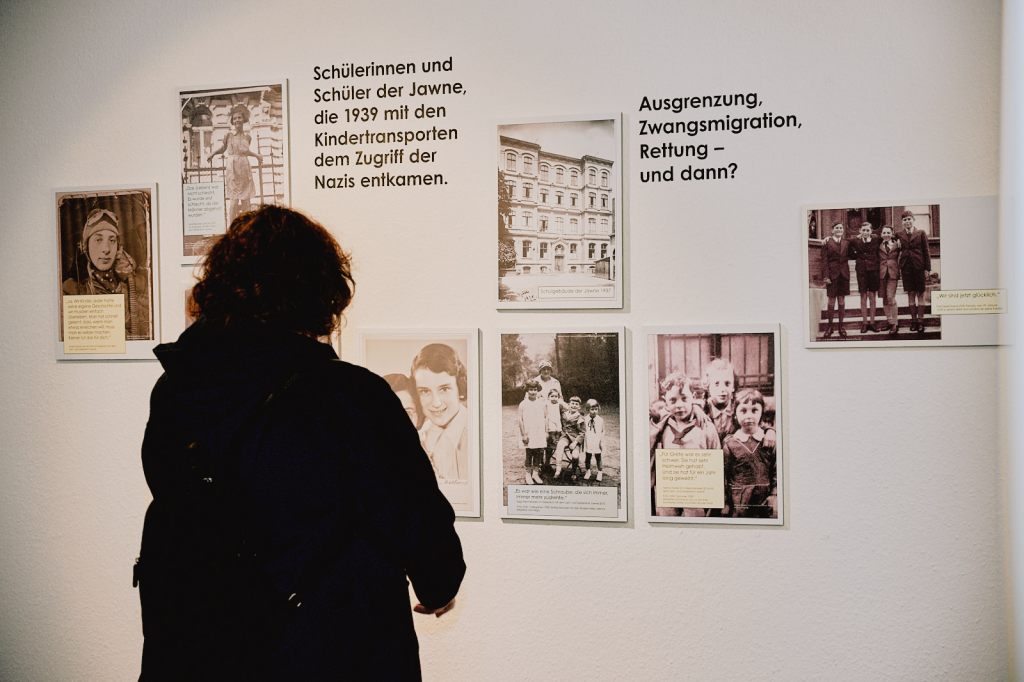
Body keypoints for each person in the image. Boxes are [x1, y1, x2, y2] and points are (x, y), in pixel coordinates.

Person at [136, 206, 464, 680]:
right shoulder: (349, 396)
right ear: (319, 291)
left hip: (198, 645)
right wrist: (437, 583)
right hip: (325, 648)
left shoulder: (177, 388)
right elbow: (413, 518)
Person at [62, 207, 151, 340]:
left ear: (118, 247)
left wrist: (131, 281)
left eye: (112, 240)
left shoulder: (137, 285)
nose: (106, 249)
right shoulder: (71, 290)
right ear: (85, 246)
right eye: (98, 240)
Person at [649, 374, 720, 517]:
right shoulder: (662, 425)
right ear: (666, 402)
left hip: (696, 491)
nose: (679, 405)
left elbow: (717, 459)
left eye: (685, 399)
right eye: (673, 400)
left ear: (693, 397)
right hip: (669, 490)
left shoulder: (705, 426)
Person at [410, 343, 469, 483]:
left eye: (444, 389)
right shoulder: (419, 437)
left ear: (460, 388)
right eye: (425, 391)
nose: (436, 403)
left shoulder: (477, 434)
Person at [722, 388, 777, 518]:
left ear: (762, 412)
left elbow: (776, 470)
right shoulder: (730, 444)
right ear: (735, 414)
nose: (749, 416)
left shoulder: (769, 440)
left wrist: (774, 494)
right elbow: (723, 474)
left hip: (764, 500)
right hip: (739, 501)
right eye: (743, 410)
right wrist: (724, 502)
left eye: (754, 410)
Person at [207, 103, 263, 223]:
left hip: (244, 167)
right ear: (232, 121)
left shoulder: (248, 137)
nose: (237, 120)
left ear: (244, 120)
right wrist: (212, 154)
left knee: (246, 199)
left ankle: (247, 225)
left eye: (239, 117)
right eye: (235, 118)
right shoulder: (228, 136)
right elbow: (223, 149)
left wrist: (257, 156)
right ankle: (231, 226)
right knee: (233, 199)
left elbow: (246, 151)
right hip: (232, 169)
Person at [897, 210, 932, 333]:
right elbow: (886, 239)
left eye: (909, 219)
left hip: (919, 267)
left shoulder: (921, 233)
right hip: (906, 268)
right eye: (905, 220)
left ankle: (921, 321)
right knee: (910, 294)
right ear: (902, 222)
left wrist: (927, 269)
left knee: (920, 294)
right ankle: (913, 321)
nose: (907, 222)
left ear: (913, 220)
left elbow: (926, 251)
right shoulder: (899, 235)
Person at [820, 222, 852, 338]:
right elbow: (824, 261)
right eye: (837, 228)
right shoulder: (827, 243)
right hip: (832, 275)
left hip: (844, 275)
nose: (839, 229)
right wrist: (826, 276)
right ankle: (830, 327)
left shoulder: (846, 243)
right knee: (831, 301)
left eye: (841, 228)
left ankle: (841, 327)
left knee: (842, 301)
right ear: (832, 230)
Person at [850, 222, 881, 333]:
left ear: (871, 231)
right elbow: (844, 242)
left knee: (872, 297)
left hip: (873, 271)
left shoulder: (876, 239)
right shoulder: (855, 241)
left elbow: (890, 235)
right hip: (861, 272)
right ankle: (864, 323)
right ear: (860, 231)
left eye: (867, 230)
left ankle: (872, 323)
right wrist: (828, 238)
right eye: (863, 230)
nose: (865, 232)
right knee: (863, 297)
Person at [517, 379, 547, 484]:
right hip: (528, 432)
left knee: (538, 453)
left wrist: (546, 431)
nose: (533, 392)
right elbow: (520, 420)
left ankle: (535, 474)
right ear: (527, 390)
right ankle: (528, 474)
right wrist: (523, 434)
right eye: (531, 389)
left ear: (537, 390)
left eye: (535, 389)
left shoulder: (541, 403)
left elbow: (545, 418)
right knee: (529, 453)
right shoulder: (523, 404)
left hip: (539, 432)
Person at [877, 225, 902, 334]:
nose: (886, 235)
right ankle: (889, 321)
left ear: (892, 234)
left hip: (893, 273)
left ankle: (895, 323)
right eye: (884, 233)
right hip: (882, 274)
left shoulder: (898, 244)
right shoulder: (878, 244)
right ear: (881, 234)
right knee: (884, 299)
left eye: (888, 233)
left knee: (891, 298)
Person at [582, 399, 605, 482]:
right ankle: (588, 471)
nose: (594, 411)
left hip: (597, 440)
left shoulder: (600, 420)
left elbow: (602, 431)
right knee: (588, 456)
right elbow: (583, 430)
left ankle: (600, 472)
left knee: (598, 456)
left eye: (596, 409)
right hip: (588, 440)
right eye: (592, 409)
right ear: (588, 409)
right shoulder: (584, 419)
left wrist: (601, 442)